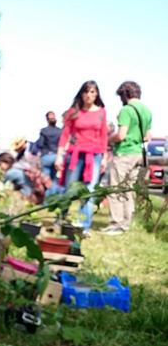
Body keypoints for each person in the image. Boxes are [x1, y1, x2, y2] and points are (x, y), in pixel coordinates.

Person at [55, 80, 108, 236]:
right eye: (86, 91)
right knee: (69, 188)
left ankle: (83, 225)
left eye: (92, 92)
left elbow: (103, 135)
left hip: (94, 155)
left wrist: (104, 157)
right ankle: (60, 217)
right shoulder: (74, 111)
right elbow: (65, 135)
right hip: (75, 154)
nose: (89, 95)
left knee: (89, 190)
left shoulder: (101, 112)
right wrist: (59, 155)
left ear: (96, 94)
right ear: (81, 93)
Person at [100, 81, 152, 235]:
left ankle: (116, 224)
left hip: (124, 153)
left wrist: (108, 139)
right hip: (139, 154)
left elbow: (121, 135)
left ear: (125, 94)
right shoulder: (147, 111)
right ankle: (126, 223)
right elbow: (147, 136)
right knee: (128, 189)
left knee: (116, 188)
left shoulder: (126, 110)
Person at [36, 111, 63, 195]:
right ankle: (54, 199)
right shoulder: (60, 131)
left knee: (46, 180)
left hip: (46, 156)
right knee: (55, 180)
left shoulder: (44, 131)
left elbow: (39, 144)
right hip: (57, 157)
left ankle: (47, 201)